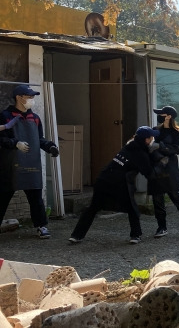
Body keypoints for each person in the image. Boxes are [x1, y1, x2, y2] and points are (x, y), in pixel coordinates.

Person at [69, 126, 159, 244]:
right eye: (151, 137)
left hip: (103, 179)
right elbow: (149, 173)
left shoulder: (128, 146)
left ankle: (76, 235)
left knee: (93, 208)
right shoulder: (140, 153)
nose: (153, 139)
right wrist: (159, 162)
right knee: (132, 209)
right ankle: (136, 236)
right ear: (146, 140)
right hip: (120, 183)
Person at [0, 85, 59, 239]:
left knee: (36, 198)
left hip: (31, 164)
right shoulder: (5, 116)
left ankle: (41, 226)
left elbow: (39, 139)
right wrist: (15, 143)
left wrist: (50, 146)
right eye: (29, 96)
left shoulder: (35, 118)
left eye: (32, 97)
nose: (32, 99)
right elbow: (1, 139)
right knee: (3, 197)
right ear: (19, 98)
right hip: (10, 164)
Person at [148, 106, 179, 238]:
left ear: (169, 116)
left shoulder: (177, 132)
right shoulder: (155, 130)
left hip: (169, 168)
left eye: (162, 114)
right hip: (156, 168)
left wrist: (161, 147)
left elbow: (178, 149)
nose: (159, 116)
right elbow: (149, 147)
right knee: (157, 199)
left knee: (176, 197)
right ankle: (161, 227)